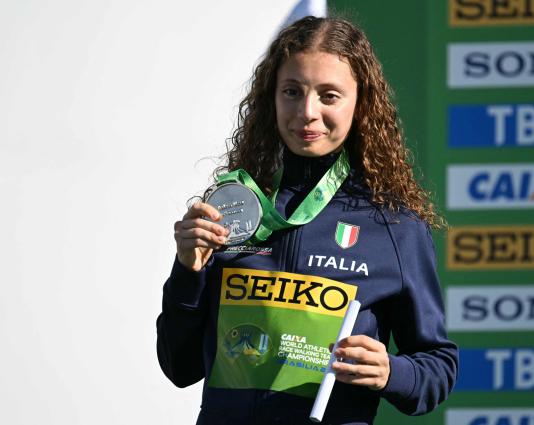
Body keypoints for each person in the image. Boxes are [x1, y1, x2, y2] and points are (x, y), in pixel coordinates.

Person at [157, 16, 458, 425]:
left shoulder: (394, 225)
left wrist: (392, 372)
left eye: (329, 95)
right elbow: (180, 367)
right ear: (272, 99)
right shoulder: (235, 208)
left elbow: (437, 367)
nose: (307, 112)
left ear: (361, 102)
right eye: (292, 92)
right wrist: (187, 273)